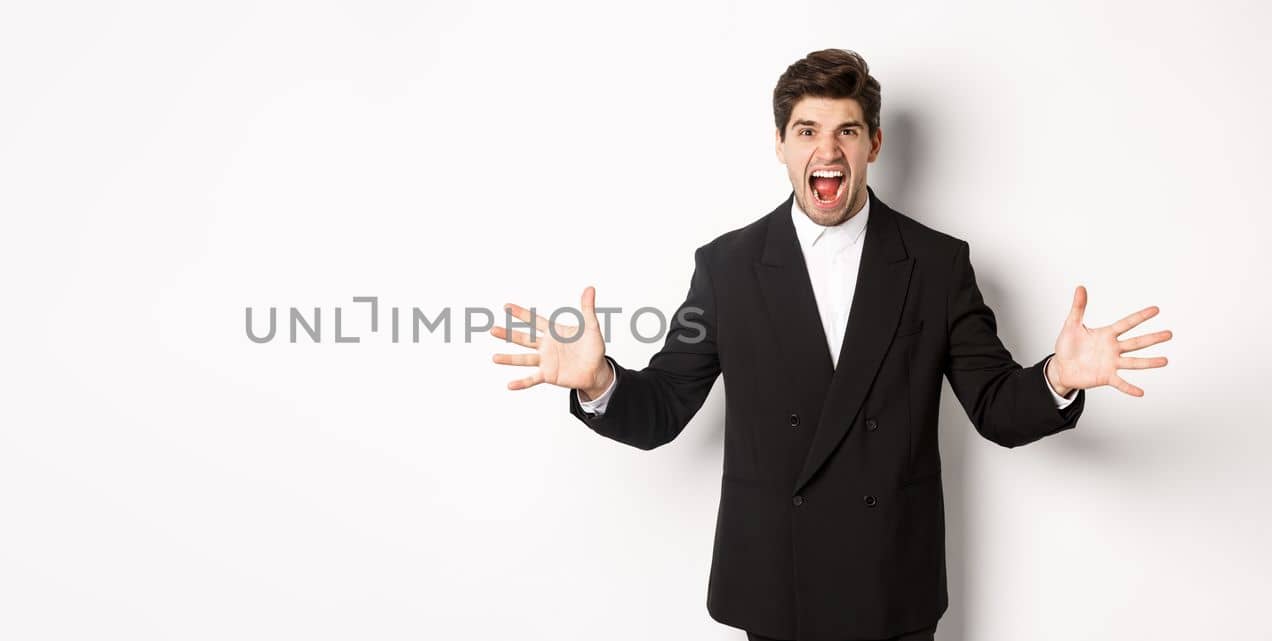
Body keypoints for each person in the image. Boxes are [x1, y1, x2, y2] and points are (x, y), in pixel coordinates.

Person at [487, 49, 1171, 641]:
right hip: (777, 588)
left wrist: (1058, 375)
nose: (828, 149)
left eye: (847, 130)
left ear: (873, 144)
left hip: (892, 586)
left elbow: (995, 405)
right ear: (780, 144)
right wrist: (599, 380)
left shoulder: (936, 265)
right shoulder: (725, 268)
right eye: (807, 129)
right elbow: (664, 406)